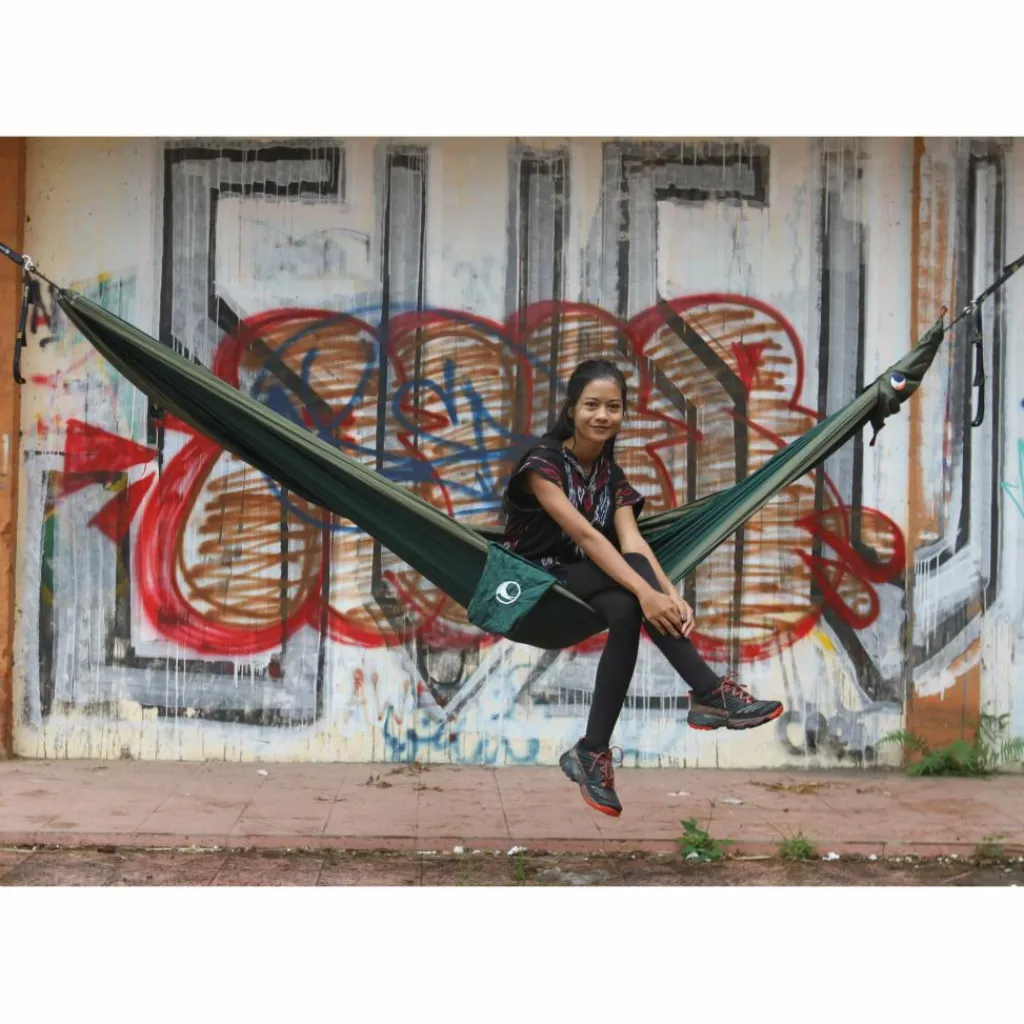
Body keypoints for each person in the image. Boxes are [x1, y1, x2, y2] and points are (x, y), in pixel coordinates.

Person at [501, 359, 784, 816]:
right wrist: (649, 592)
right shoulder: (542, 464)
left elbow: (632, 542)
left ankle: (591, 750)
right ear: (572, 409)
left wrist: (668, 593)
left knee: (627, 610)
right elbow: (587, 536)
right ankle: (709, 692)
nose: (602, 415)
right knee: (636, 596)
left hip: (582, 577)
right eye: (591, 405)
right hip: (531, 581)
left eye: (613, 407)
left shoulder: (611, 476)